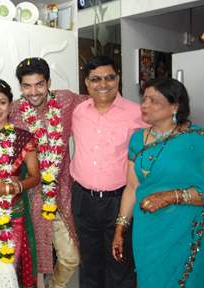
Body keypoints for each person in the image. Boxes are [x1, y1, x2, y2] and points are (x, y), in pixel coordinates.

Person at [112, 78, 204, 288]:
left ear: (175, 105)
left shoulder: (197, 139)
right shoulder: (137, 139)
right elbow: (132, 187)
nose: (145, 105)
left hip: (185, 228)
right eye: (144, 99)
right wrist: (120, 228)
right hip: (148, 229)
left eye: (154, 100)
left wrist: (170, 197)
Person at [10, 57, 86, 288]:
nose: (33, 92)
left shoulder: (65, 100)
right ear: (20, 86)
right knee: (33, 262)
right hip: (29, 196)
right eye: (27, 86)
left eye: (39, 84)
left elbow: (99, 105)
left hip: (61, 193)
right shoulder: (13, 111)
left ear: (48, 82)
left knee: (71, 257)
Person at [70, 56, 144, 288]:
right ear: (87, 83)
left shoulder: (137, 113)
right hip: (82, 198)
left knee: (119, 262)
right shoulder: (79, 112)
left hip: (119, 200)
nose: (103, 84)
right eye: (96, 79)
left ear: (118, 79)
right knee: (89, 264)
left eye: (109, 78)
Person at [0, 79, 40, 288]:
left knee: (11, 268)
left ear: (10, 106)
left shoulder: (24, 138)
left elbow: (35, 176)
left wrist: (11, 187)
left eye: (2, 102)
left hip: (13, 215)